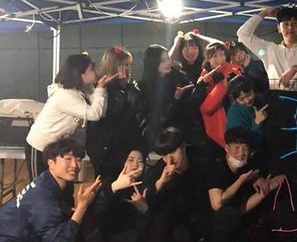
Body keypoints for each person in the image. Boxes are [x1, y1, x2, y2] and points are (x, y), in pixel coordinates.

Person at [0, 136, 102, 242]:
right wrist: (82, 207)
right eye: (68, 159)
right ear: (51, 163)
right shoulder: (43, 200)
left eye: (78, 159)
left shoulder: (46, 180)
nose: (74, 165)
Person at [26, 53, 116, 179]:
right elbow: (94, 114)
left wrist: (101, 88)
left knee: (59, 184)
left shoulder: (81, 91)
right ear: (80, 74)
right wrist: (100, 88)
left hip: (57, 147)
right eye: (91, 69)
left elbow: (101, 112)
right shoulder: (65, 95)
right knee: (40, 184)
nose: (96, 72)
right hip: (40, 146)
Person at [202, 128, 285, 242]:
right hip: (208, 224)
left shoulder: (248, 168)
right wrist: (241, 180)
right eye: (236, 148)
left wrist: (265, 191)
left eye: (245, 148)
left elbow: (241, 210)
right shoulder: (217, 167)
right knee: (228, 214)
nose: (241, 154)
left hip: (235, 221)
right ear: (227, 148)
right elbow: (217, 204)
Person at [143, 127, 207, 242]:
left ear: (183, 146)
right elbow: (148, 205)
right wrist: (161, 182)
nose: (169, 159)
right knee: (163, 215)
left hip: (196, 216)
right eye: (164, 155)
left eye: (173, 151)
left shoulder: (200, 163)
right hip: (168, 221)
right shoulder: (157, 171)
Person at [236, 6, 297, 88]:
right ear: (279, 28)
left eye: (295, 23)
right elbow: (243, 34)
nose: (290, 28)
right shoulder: (268, 51)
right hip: (278, 102)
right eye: (286, 24)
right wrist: (264, 13)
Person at [87, 46, 146, 177]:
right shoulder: (102, 86)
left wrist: (127, 85)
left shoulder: (129, 85)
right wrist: (124, 87)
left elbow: (139, 106)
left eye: (130, 65)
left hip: (125, 142)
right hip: (107, 146)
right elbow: (114, 112)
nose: (129, 68)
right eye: (126, 65)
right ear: (115, 66)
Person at [91, 149, 149, 242]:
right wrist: (114, 187)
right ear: (122, 161)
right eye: (130, 160)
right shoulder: (109, 183)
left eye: (140, 161)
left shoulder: (147, 187)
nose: (135, 165)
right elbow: (97, 215)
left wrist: (144, 209)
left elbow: (150, 228)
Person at [138, 44, 197, 152]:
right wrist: (176, 99)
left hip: (184, 132)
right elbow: (157, 116)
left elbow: (192, 104)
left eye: (168, 59)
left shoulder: (179, 76)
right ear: (153, 63)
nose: (167, 63)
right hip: (162, 136)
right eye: (162, 61)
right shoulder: (145, 86)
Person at [198, 42, 241, 149]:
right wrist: (223, 84)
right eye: (215, 56)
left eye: (222, 54)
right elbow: (206, 108)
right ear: (208, 59)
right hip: (216, 127)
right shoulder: (204, 79)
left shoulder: (233, 71)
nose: (219, 59)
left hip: (235, 119)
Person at [226, 75, 268, 147]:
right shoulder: (234, 113)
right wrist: (257, 123)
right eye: (241, 99)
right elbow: (241, 143)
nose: (247, 101)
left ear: (253, 89)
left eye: (249, 95)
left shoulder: (260, 99)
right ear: (235, 100)